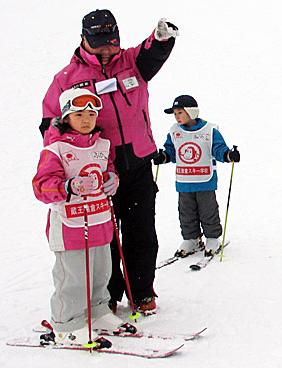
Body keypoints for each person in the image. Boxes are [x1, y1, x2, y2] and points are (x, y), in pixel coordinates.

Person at [39, 9, 179, 314]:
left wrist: (162, 38)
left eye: (112, 42)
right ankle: (108, 296)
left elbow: (152, 52)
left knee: (141, 232)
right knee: (104, 238)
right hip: (96, 169)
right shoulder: (67, 79)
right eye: (99, 43)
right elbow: (51, 123)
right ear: (83, 40)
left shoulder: (131, 63)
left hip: (139, 163)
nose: (107, 49)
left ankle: (141, 291)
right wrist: (61, 163)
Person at [33, 89, 136, 346]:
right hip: (70, 224)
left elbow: (107, 170)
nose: (87, 119)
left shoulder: (102, 145)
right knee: (74, 275)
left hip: (99, 221)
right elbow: (41, 185)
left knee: (102, 271)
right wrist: (68, 186)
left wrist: (113, 179)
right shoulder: (55, 149)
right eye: (79, 114)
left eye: (91, 114)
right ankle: (67, 322)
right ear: (66, 117)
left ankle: (98, 311)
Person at [154, 95, 240, 258]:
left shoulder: (209, 130)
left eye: (180, 112)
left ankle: (213, 237)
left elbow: (218, 149)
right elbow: (172, 151)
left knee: (208, 211)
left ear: (191, 112)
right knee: (186, 213)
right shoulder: (175, 131)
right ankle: (191, 238)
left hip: (204, 180)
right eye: (175, 114)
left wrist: (229, 155)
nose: (177, 117)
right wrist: (163, 157)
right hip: (184, 181)